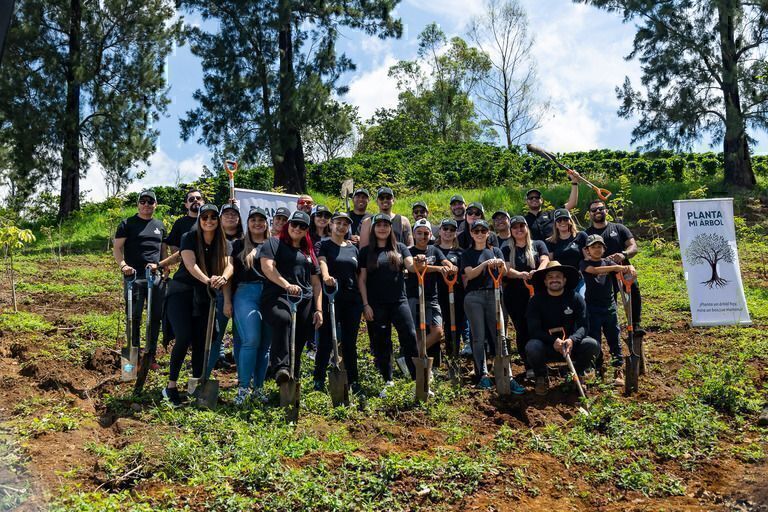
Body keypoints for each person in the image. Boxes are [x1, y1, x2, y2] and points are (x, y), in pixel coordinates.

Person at [161, 204, 233, 407]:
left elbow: (229, 265)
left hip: (205, 297)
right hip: (181, 293)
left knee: (203, 342)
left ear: (217, 220)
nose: (209, 221)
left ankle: (195, 387)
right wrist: (208, 280)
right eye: (204, 217)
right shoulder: (189, 238)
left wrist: (222, 278)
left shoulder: (223, 242)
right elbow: (190, 264)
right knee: (184, 337)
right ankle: (171, 386)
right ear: (199, 220)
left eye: (212, 217)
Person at [358, 213, 420, 396]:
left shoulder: (400, 248)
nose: (382, 228)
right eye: (379, 225)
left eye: (386, 225)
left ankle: (418, 379)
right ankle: (388, 380)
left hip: (399, 301)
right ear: (373, 229)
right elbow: (362, 280)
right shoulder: (365, 252)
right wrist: (365, 304)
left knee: (409, 336)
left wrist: (418, 262)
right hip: (376, 304)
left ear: (391, 228)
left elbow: (410, 266)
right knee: (382, 342)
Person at [461, 219, 524, 393]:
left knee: (500, 336)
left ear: (488, 233)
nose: (480, 234)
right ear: (472, 234)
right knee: (478, 336)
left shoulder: (496, 251)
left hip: (494, 294)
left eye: (483, 231)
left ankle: (507, 375)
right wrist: (485, 264)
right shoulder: (467, 254)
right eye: (476, 231)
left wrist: (501, 264)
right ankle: (482, 375)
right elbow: (470, 274)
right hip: (474, 297)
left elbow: (504, 272)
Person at [260, 210, 323, 384]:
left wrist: (319, 309)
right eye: (294, 224)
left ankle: (291, 379)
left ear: (306, 230)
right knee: (283, 318)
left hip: (305, 299)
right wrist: (286, 285)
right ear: (288, 225)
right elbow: (267, 267)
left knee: (300, 338)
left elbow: (316, 283)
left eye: (302, 226)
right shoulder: (274, 243)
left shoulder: (308, 252)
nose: (297, 228)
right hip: (278, 295)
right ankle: (280, 367)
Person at [525, 262, 601, 396]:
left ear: (564, 280)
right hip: (547, 346)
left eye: (558, 276)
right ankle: (541, 377)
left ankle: (576, 375)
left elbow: (584, 325)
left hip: (570, 346)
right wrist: (553, 340)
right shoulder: (536, 301)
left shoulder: (575, 298)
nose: (554, 279)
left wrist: (572, 340)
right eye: (550, 276)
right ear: (545, 281)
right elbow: (533, 330)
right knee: (532, 346)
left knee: (592, 345)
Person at [113, 189, 166, 368]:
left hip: (155, 277)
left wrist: (165, 267)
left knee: (154, 317)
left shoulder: (160, 225)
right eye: (143, 201)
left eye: (150, 202)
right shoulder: (127, 224)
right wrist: (123, 266)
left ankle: (150, 356)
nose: (146, 205)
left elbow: (163, 251)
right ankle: (133, 354)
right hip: (133, 277)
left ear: (155, 205)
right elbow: (117, 248)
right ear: (138, 204)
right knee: (133, 316)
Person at [225, 206, 271, 405]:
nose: (257, 223)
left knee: (265, 346)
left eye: (261, 219)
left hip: (270, 295)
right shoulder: (237, 246)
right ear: (248, 223)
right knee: (251, 339)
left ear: (266, 223)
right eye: (253, 220)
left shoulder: (274, 244)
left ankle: (258, 388)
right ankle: (243, 388)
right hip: (245, 293)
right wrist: (227, 300)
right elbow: (229, 272)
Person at [315, 212, 363, 393]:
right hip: (331, 298)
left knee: (350, 342)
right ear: (331, 224)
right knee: (326, 340)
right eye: (338, 223)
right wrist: (326, 276)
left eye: (345, 224)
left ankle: (353, 379)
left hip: (352, 300)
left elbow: (358, 275)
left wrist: (363, 301)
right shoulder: (324, 244)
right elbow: (322, 262)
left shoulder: (353, 248)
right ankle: (318, 378)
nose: (341, 227)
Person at [580, 234, 636, 386]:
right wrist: (616, 267)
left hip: (609, 306)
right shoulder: (584, 263)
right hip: (592, 308)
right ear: (587, 250)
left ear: (604, 248)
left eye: (599, 247)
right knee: (595, 339)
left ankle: (618, 369)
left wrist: (629, 267)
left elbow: (626, 270)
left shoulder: (608, 261)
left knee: (614, 338)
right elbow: (594, 270)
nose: (597, 250)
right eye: (593, 247)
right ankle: (597, 368)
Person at [585, 199, 644, 332]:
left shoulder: (619, 228)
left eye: (600, 208)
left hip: (622, 268)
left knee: (633, 289)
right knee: (608, 302)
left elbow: (633, 247)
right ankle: (611, 330)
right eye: (594, 210)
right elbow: (584, 255)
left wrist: (624, 254)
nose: (597, 212)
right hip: (602, 272)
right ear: (589, 214)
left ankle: (635, 324)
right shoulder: (586, 234)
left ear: (606, 211)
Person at [502, 215, 550, 378]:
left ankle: (542, 361)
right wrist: (520, 274)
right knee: (522, 329)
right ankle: (528, 365)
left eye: (522, 226)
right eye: (515, 227)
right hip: (516, 295)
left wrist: (538, 271)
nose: (519, 230)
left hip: (539, 294)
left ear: (527, 228)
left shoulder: (538, 244)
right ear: (511, 230)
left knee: (540, 327)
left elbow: (545, 259)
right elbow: (506, 269)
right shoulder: (506, 247)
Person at [405, 219, 452, 368]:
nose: (423, 236)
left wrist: (451, 267)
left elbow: (446, 262)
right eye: (419, 233)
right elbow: (416, 268)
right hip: (414, 296)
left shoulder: (434, 250)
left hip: (432, 298)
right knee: (418, 333)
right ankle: (422, 368)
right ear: (414, 234)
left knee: (437, 332)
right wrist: (438, 269)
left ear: (431, 234)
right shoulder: (408, 251)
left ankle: (410, 358)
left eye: (426, 233)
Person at [207, 202, 243, 374]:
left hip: (243, 293)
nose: (230, 217)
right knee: (215, 336)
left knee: (242, 338)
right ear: (220, 218)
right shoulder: (212, 238)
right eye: (226, 214)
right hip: (219, 294)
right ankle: (204, 375)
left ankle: (242, 379)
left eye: (234, 214)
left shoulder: (245, 240)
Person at [435, 219, 471, 358]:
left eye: (452, 230)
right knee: (437, 326)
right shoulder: (433, 249)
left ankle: (452, 354)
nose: (448, 232)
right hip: (437, 294)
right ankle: (436, 359)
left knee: (454, 326)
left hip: (456, 295)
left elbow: (464, 276)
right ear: (440, 231)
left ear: (456, 233)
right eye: (445, 229)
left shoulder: (461, 253)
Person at [524, 173, 580, 241]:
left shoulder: (552, 214)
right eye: (530, 198)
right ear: (526, 201)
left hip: (554, 249)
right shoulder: (523, 220)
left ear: (542, 200)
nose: (534, 199)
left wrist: (574, 182)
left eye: (537, 197)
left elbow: (572, 203)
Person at [165, 189, 205, 254]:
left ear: (203, 202)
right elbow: (173, 246)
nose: (195, 200)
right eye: (191, 199)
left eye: (198, 198)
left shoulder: (211, 221)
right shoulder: (180, 223)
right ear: (186, 205)